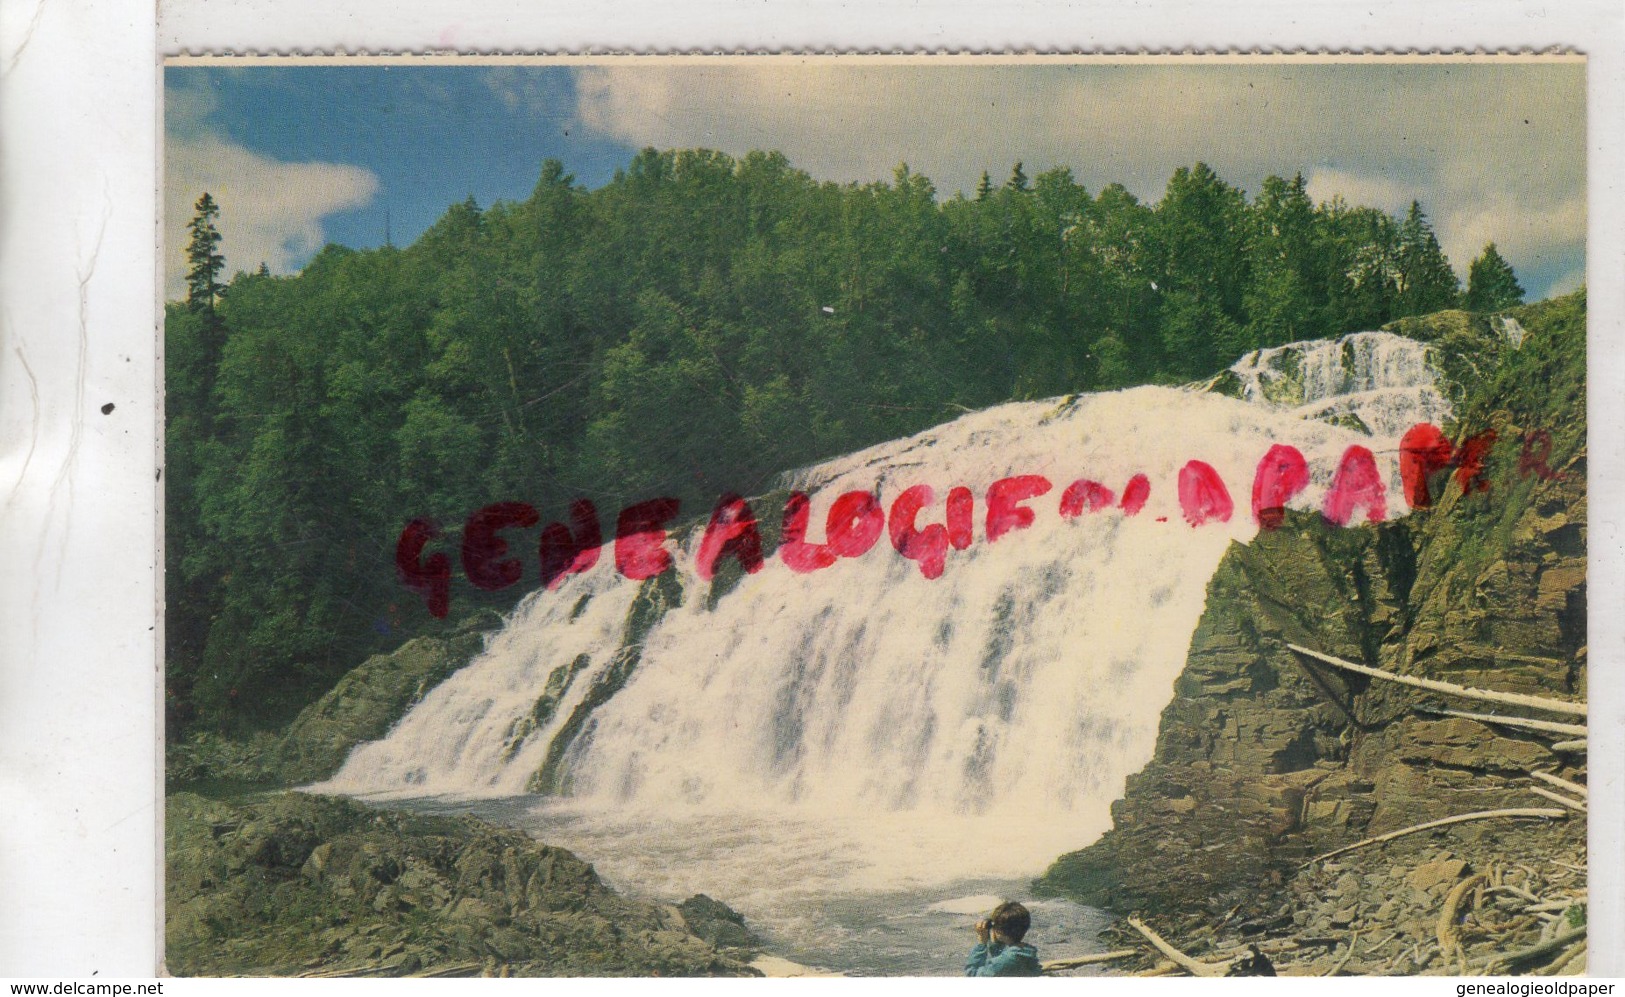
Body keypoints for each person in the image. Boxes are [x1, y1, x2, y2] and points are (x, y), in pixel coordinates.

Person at [964, 900, 1043, 976]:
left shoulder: (1007, 960)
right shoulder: (1024, 953)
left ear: (1000, 931)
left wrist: (981, 943)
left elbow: (972, 973)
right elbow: (1000, 959)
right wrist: (995, 941)